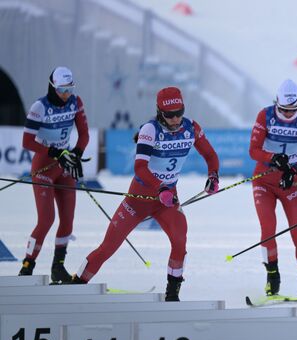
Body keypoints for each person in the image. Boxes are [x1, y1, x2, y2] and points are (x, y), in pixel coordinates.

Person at [71, 87, 219, 302]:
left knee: (180, 240)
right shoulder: (150, 130)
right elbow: (140, 168)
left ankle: (172, 293)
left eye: (180, 112)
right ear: (160, 112)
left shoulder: (191, 128)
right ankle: (77, 284)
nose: (176, 118)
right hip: (139, 199)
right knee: (108, 247)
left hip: (166, 200)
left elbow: (210, 155)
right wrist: (161, 187)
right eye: (170, 115)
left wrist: (213, 176)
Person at [249, 79, 297, 301]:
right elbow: (253, 150)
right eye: (283, 109)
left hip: (291, 181)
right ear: (276, 103)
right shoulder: (264, 115)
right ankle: (272, 278)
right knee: (268, 228)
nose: (286, 114)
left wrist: (294, 170)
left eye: (291, 109)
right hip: (264, 179)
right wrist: (272, 158)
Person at [19, 66, 89, 283]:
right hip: (44, 166)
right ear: (52, 87)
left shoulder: (76, 102)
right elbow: (27, 142)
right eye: (61, 90)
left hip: (64, 165)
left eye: (69, 89)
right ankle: (27, 266)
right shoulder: (40, 106)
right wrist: (55, 152)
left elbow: (84, 135)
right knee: (47, 219)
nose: (66, 94)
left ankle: (58, 267)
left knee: (68, 221)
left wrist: (76, 154)